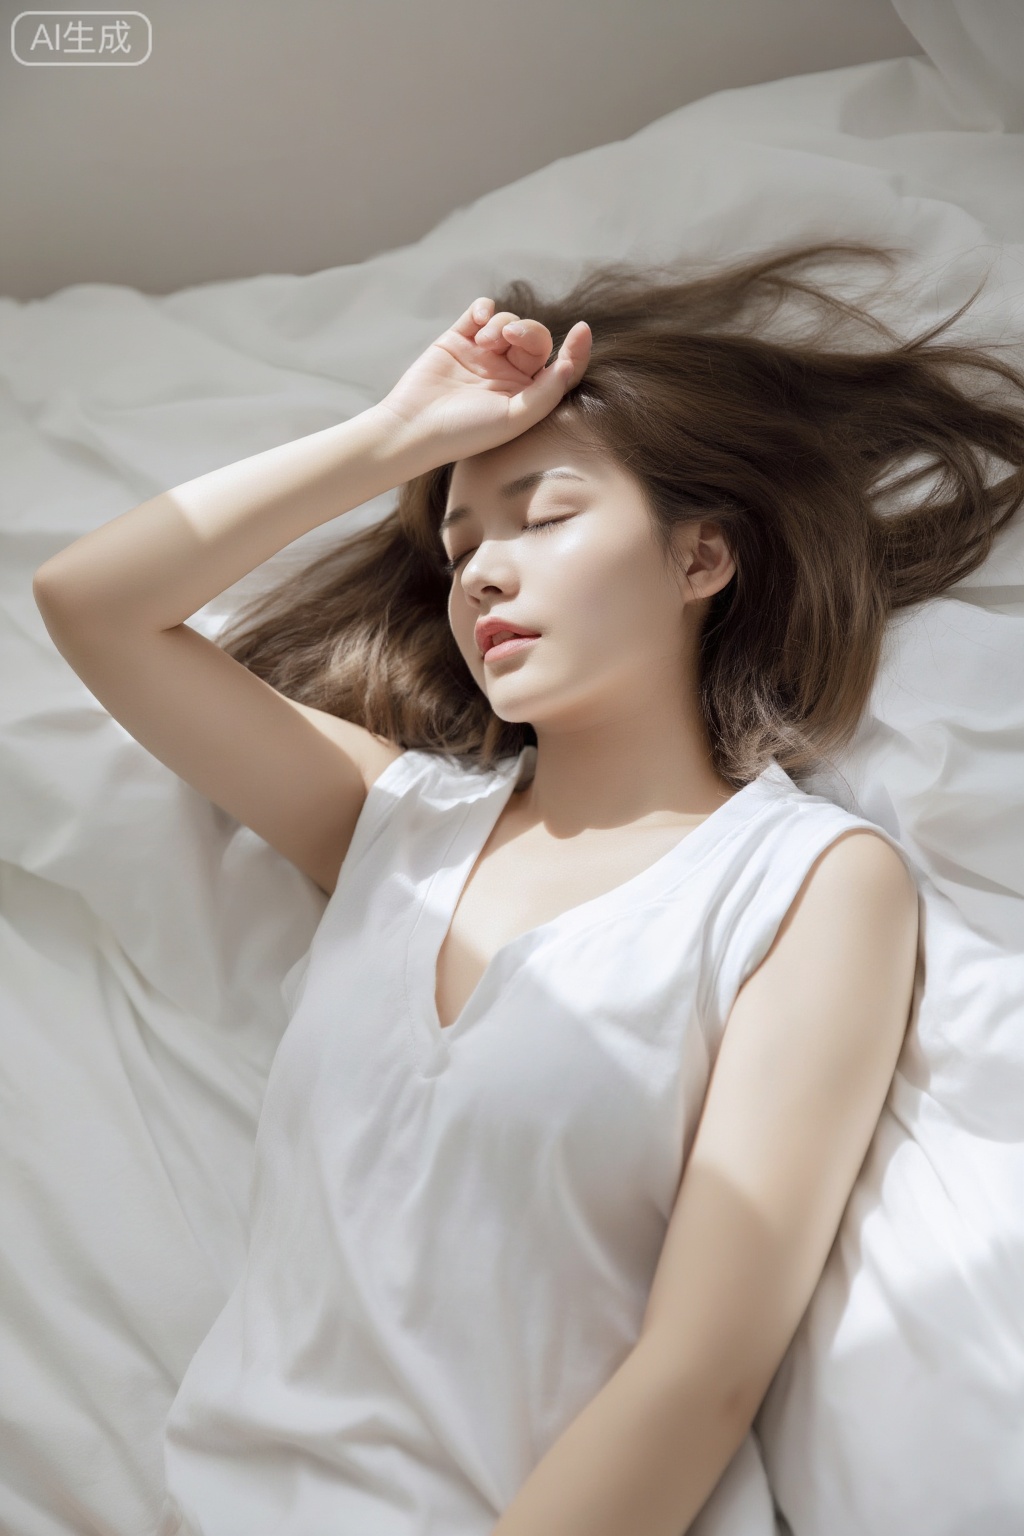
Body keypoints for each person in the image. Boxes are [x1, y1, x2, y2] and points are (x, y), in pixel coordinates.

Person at [31, 242, 1024, 1536]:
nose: (484, 572)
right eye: (457, 546)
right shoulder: (391, 825)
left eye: (544, 518)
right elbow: (92, 605)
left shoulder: (805, 886)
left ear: (700, 560)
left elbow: (703, 1372)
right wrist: (397, 434)